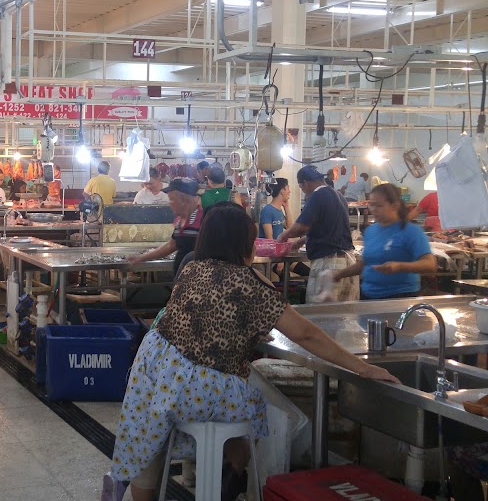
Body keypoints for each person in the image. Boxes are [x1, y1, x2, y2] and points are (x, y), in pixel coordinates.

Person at [101, 205, 399, 501]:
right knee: (253, 411)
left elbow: (205, 319)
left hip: (154, 368)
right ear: (242, 244)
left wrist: (248, 328)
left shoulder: (192, 268)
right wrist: (361, 367)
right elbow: (305, 334)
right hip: (196, 388)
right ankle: (234, 476)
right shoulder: (251, 283)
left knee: (150, 435)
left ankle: (131, 480)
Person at [333, 183, 435, 300]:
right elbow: (366, 263)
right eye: (371, 204)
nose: (374, 209)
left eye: (379, 205)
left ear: (394, 206)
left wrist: (400, 266)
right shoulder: (371, 231)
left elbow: (430, 264)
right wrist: (339, 275)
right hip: (368, 296)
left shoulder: (411, 231)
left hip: (400, 297)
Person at [278, 165, 358, 302]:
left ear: (305, 183)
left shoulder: (318, 195)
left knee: (321, 311)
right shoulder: (339, 196)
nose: (303, 191)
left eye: (301, 187)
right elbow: (328, 227)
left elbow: (300, 227)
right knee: (345, 312)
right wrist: (301, 241)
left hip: (329, 265)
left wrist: (284, 236)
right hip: (348, 265)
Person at [126, 178, 203, 272]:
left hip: (197, 277)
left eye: (171, 199)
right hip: (181, 276)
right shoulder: (179, 221)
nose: (169, 203)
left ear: (183, 200)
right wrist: (141, 258)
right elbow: (170, 245)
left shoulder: (203, 219)